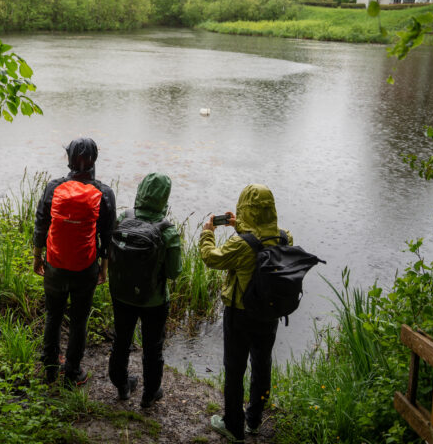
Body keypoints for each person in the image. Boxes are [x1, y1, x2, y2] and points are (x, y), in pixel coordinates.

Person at [200, 184, 293, 442]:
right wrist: (239, 225)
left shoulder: (241, 245)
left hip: (239, 314)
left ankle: (232, 425)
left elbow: (211, 258)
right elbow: (260, 238)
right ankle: (253, 420)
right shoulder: (285, 238)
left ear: (245, 209)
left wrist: (208, 233)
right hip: (269, 315)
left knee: (234, 369)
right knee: (262, 365)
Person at [33, 137, 115, 386]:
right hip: (84, 267)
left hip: (55, 265)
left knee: (53, 316)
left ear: (69, 159)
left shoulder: (53, 187)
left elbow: (41, 225)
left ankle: (49, 369)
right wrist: (103, 268)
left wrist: (37, 258)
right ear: (95, 160)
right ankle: (72, 372)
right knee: (79, 320)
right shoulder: (104, 192)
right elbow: (107, 236)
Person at [107, 172, 182, 408]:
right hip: (154, 300)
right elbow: (174, 272)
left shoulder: (124, 217)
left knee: (121, 340)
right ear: (165, 198)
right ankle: (149, 394)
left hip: (121, 294)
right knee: (153, 347)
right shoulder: (168, 231)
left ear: (141, 191)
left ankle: (121, 386)